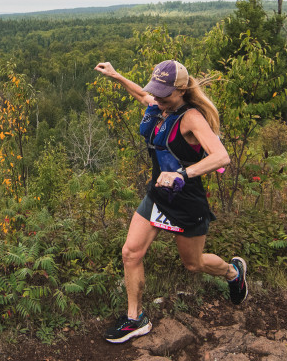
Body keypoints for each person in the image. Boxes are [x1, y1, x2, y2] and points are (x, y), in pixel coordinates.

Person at [93, 60, 248, 344]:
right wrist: (116, 76)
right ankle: (135, 319)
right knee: (131, 253)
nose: (158, 99)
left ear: (181, 91)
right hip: (157, 195)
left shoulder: (191, 117)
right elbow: (142, 95)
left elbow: (221, 156)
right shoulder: (160, 107)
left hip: (186, 200)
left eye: (164, 95)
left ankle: (233, 272)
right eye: (158, 93)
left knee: (194, 264)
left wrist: (182, 174)